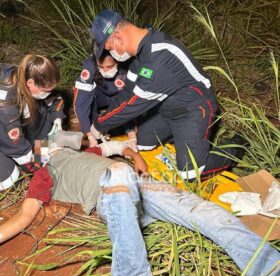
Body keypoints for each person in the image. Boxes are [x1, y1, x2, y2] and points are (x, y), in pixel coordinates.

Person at [0, 139, 279, 276]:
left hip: (145, 188)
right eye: (45, 146)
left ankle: (270, 270)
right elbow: (24, 216)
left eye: (52, 143)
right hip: (110, 197)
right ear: (38, 157)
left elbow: (118, 145)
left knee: (208, 213)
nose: (51, 146)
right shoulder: (44, 175)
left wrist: (135, 157)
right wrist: (124, 165)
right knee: (119, 171)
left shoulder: (87, 153)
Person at [90, 10, 247, 181]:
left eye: (110, 48)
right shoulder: (139, 55)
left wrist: (99, 125)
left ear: (117, 37)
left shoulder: (159, 56)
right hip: (166, 108)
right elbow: (128, 92)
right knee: (141, 144)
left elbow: (134, 104)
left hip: (194, 108)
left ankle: (239, 143)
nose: (112, 53)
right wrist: (104, 119)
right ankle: (181, 139)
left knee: (191, 173)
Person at [0, 55, 64, 190]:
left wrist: (58, 119)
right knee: (11, 181)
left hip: (7, 124)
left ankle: (41, 148)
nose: (49, 93)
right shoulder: (7, 107)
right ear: (31, 83)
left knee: (44, 112)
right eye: (47, 90)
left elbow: (56, 99)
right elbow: (16, 147)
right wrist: (35, 165)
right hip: (4, 127)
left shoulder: (23, 73)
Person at [74, 49, 137, 150]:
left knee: (123, 105)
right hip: (100, 93)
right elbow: (81, 102)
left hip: (119, 93)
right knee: (89, 105)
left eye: (110, 66)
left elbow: (131, 98)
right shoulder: (90, 65)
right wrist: (89, 134)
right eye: (101, 67)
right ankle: (95, 128)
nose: (105, 71)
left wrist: (131, 134)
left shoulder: (129, 64)